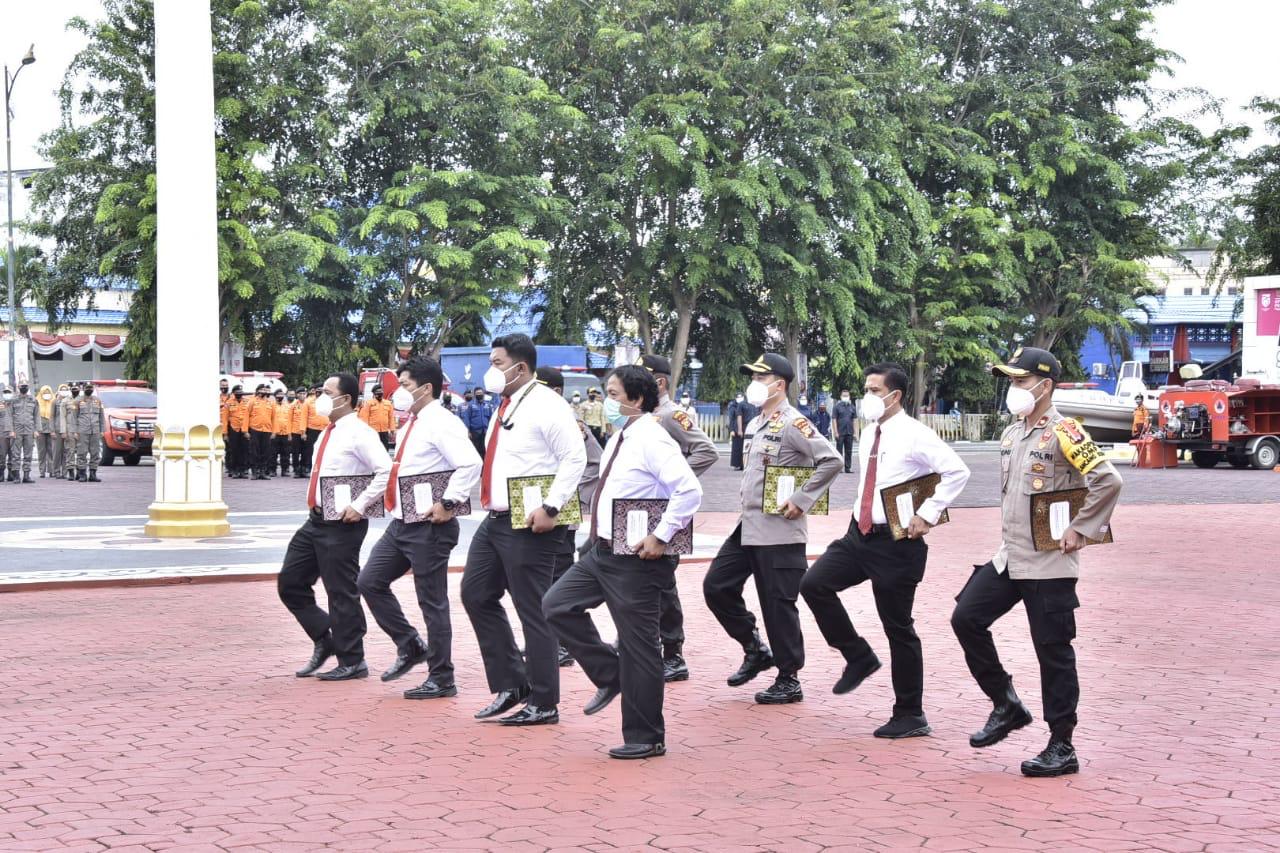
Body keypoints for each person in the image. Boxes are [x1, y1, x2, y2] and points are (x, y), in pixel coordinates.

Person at [951, 347, 1122, 777]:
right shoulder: (1012, 434)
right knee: (966, 618)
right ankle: (1006, 703)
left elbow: (1107, 480)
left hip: (1049, 565)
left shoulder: (1066, 431)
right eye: (1010, 381)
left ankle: (1062, 744)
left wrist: (1082, 528)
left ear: (1044, 386)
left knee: (1053, 654)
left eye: (1021, 381)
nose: (1013, 388)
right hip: (1010, 558)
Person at [800, 363, 971, 739]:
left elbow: (957, 471)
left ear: (895, 396)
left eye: (874, 390)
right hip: (858, 536)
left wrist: (927, 513)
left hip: (897, 543)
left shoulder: (915, 434)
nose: (867, 397)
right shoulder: (869, 433)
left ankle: (910, 713)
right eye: (866, 388)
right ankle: (857, 655)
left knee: (898, 627)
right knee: (814, 584)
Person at [543, 365, 702, 760]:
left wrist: (661, 535)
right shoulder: (621, 436)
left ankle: (646, 736)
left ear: (635, 400)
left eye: (613, 394)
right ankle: (610, 675)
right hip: (603, 551)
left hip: (638, 559)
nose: (605, 401)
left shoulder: (652, 438)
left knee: (639, 646)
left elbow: (689, 490)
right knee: (556, 605)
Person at [461, 333, 587, 726]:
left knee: (532, 608)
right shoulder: (507, 404)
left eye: (497, 363)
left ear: (521, 366)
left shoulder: (547, 404)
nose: (491, 371)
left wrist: (551, 506)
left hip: (531, 519)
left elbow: (575, 457)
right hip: (497, 517)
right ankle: (512, 683)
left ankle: (545, 700)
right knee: (476, 594)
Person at [703, 354, 841, 704]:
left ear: (779, 384)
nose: (753, 383)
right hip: (748, 525)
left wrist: (802, 498)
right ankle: (754, 647)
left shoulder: (795, 423)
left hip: (780, 530)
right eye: (752, 376)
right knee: (717, 586)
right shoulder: (755, 423)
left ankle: (788, 677)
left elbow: (832, 460)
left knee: (778, 604)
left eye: (760, 377)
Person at [358, 356, 481, 699]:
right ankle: (410, 644)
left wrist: (449, 502)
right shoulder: (414, 421)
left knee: (432, 602)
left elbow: (471, 463)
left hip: (429, 525)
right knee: (369, 582)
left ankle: (442, 677)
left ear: (427, 388)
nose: (399, 393)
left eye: (406, 386)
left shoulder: (441, 422)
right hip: (402, 522)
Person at [279, 372, 392, 682]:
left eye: (327, 392)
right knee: (290, 582)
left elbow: (384, 471)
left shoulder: (360, 432)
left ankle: (353, 659)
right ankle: (325, 637)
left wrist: (360, 505)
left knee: (341, 591)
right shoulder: (329, 431)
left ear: (345, 399)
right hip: (316, 519)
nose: (320, 397)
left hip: (342, 523)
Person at [637, 354, 718, 683]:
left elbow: (706, 450)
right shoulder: (644, 416)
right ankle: (642, 639)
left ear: (659, 383)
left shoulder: (672, 415)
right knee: (637, 578)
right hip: (642, 511)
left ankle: (673, 653)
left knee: (662, 584)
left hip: (668, 509)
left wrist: (675, 480)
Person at [534, 365, 602, 669]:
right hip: (538, 512)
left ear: (557, 391)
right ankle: (549, 641)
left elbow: (594, 463)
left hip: (561, 514)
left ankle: (565, 644)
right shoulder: (533, 417)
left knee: (559, 579)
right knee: (542, 580)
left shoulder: (571, 424)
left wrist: (573, 495)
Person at [72, 383, 106, 482]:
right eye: (87, 388)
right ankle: (82, 474)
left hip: (95, 431)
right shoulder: (77, 401)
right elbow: (73, 417)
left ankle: (93, 474)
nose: (89, 389)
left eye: (91, 388)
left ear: (93, 389)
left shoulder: (97, 400)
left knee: (95, 453)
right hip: (82, 431)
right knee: (82, 452)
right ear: (83, 389)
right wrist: (74, 431)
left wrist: (102, 430)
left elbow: (101, 417)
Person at [9, 383, 37, 482]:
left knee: (28, 453)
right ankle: (16, 476)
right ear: (18, 387)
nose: (23, 388)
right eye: (22, 386)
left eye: (25, 386)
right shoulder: (13, 400)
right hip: (17, 429)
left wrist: (36, 430)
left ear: (28, 388)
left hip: (29, 429)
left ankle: (26, 476)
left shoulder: (33, 400)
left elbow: (36, 415)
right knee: (16, 453)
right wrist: (11, 430)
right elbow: (10, 415)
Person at [247, 385, 275, 480]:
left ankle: (263, 471)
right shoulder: (252, 402)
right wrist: (245, 431)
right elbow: (246, 416)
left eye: (265, 390)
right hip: (255, 429)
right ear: (257, 391)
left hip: (267, 430)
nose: (264, 391)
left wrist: (274, 431)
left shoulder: (270, 403)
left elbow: (274, 418)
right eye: (262, 389)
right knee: (254, 451)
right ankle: (255, 472)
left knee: (266, 452)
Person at [359, 384, 396, 449]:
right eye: (377, 392)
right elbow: (364, 417)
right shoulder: (368, 403)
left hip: (384, 431)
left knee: (385, 449)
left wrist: (392, 429)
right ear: (374, 393)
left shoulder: (388, 403)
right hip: (372, 431)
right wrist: (365, 431)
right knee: (373, 449)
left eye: (381, 391)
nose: (379, 393)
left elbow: (391, 417)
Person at [463, 389, 496, 457]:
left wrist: (491, 431)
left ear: (483, 394)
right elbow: (467, 419)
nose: (479, 395)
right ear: (475, 395)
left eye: (480, 393)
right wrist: (468, 431)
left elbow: (491, 419)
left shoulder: (487, 405)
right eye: (477, 393)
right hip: (475, 432)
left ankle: (484, 466)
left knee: (485, 449)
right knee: (475, 451)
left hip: (486, 432)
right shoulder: (471, 405)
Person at [36, 385, 59, 479]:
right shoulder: (36, 401)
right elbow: (34, 416)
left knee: (51, 451)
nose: (47, 395)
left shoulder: (54, 402)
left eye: (48, 393)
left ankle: (52, 470)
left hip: (51, 430)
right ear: (41, 393)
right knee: (41, 452)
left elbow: (55, 416)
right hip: (40, 429)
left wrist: (53, 429)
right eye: (44, 393)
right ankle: (42, 471)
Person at [832, 389, 856, 473]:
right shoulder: (837, 407)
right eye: (844, 396)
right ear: (841, 396)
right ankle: (839, 468)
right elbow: (834, 419)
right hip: (840, 432)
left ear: (849, 396)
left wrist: (855, 433)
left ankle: (847, 468)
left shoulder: (852, 407)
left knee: (849, 451)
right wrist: (835, 432)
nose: (846, 397)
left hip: (849, 432)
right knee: (839, 451)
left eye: (847, 395)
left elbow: (854, 420)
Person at [304, 387, 327, 475]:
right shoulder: (309, 402)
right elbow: (304, 417)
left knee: (323, 450)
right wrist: (303, 432)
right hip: (312, 429)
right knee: (310, 450)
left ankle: (321, 468)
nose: (319, 393)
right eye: (318, 391)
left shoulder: (328, 401)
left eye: (321, 391)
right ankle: (308, 467)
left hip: (324, 429)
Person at [60, 385, 80, 481]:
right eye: (73, 389)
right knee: (70, 451)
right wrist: (63, 431)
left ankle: (80, 471)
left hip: (82, 429)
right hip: (69, 428)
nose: (75, 390)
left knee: (81, 451)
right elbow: (62, 417)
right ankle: (71, 472)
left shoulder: (83, 400)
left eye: (77, 389)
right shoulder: (65, 401)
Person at [272, 389, 293, 476]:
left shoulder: (288, 406)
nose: (280, 396)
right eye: (278, 394)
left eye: (282, 394)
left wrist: (290, 433)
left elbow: (290, 420)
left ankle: (285, 470)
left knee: (286, 453)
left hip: (285, 433)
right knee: (273, 453)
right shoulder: (272, 406)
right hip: (274, 433)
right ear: (275, 395)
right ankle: (272, 470)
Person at [289, 387, 308, 478]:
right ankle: (296, 470)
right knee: (295, 452)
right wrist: (289, 434)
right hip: (295, 431)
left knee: (306, 452)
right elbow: (289, 420)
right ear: (297, 395)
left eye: (304, 394)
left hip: (306, 431)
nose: (302, 395)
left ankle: (303, 469)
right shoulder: (293, 405)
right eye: (300, 394)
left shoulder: (309, 404)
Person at [0, 389, 13, 483]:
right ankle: (1, 473)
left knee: (13, 454)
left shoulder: (15, 404)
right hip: (2, 434)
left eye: (9, 393)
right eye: (5, 393)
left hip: (13, 433)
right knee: (2, 455)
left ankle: (11, 474)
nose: (7, 394)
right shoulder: (0, 404)